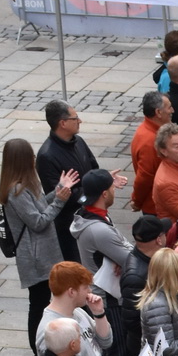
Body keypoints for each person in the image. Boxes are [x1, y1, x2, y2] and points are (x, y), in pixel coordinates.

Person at [0, 141, 78, 346]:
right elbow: (38, 221)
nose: (34, 160)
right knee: (38, 305)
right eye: (31, 157)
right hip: (36, 258)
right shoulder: (15, 191)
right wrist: (60, 200)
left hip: (43, 253)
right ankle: (39, 348)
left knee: (44, 302)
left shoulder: (24, 186)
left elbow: (41, 205)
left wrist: (59, 189)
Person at [37, 100, 113, 262]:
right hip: (71, 226)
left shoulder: (79, 142)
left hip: (93, 215)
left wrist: (104, 178)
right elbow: (62, 195)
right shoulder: (47, 156)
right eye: (75, 118)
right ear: (63, 123)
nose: (80, 121)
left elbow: (94, 168)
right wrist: (94, 190)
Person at [33, 262, 112, 356]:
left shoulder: (79, 313)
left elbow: (106, 342)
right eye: (85, 287)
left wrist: (99, 313)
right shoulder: (50, 330)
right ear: (71, 292)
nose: (90, 291)